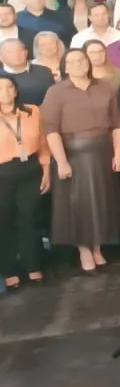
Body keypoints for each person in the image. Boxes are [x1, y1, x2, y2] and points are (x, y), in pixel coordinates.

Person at [41, 47, 120, 273]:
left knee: (101, 202)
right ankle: (84, 250)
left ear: (88, 63)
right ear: (65, 67)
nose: (78, 64)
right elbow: (50, 130)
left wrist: (118, 153)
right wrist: (61, 161)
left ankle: (97, 247)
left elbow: (117, 124)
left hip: (102, 153)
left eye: (82, 60)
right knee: (78, 205)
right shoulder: (56, 92)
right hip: (73, 156)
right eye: (72, 61)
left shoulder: (105, 87)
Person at [0, 75, 47, 289]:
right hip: (3, 172)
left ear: (16, 90)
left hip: (30, 169)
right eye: (0, 88)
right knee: (4, 221)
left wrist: (46, 170)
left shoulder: (32, 111)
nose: (5, 92)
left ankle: (33, 266)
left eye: (9, 87)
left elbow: (43, 143)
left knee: (28, 218)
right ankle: (10, 270)